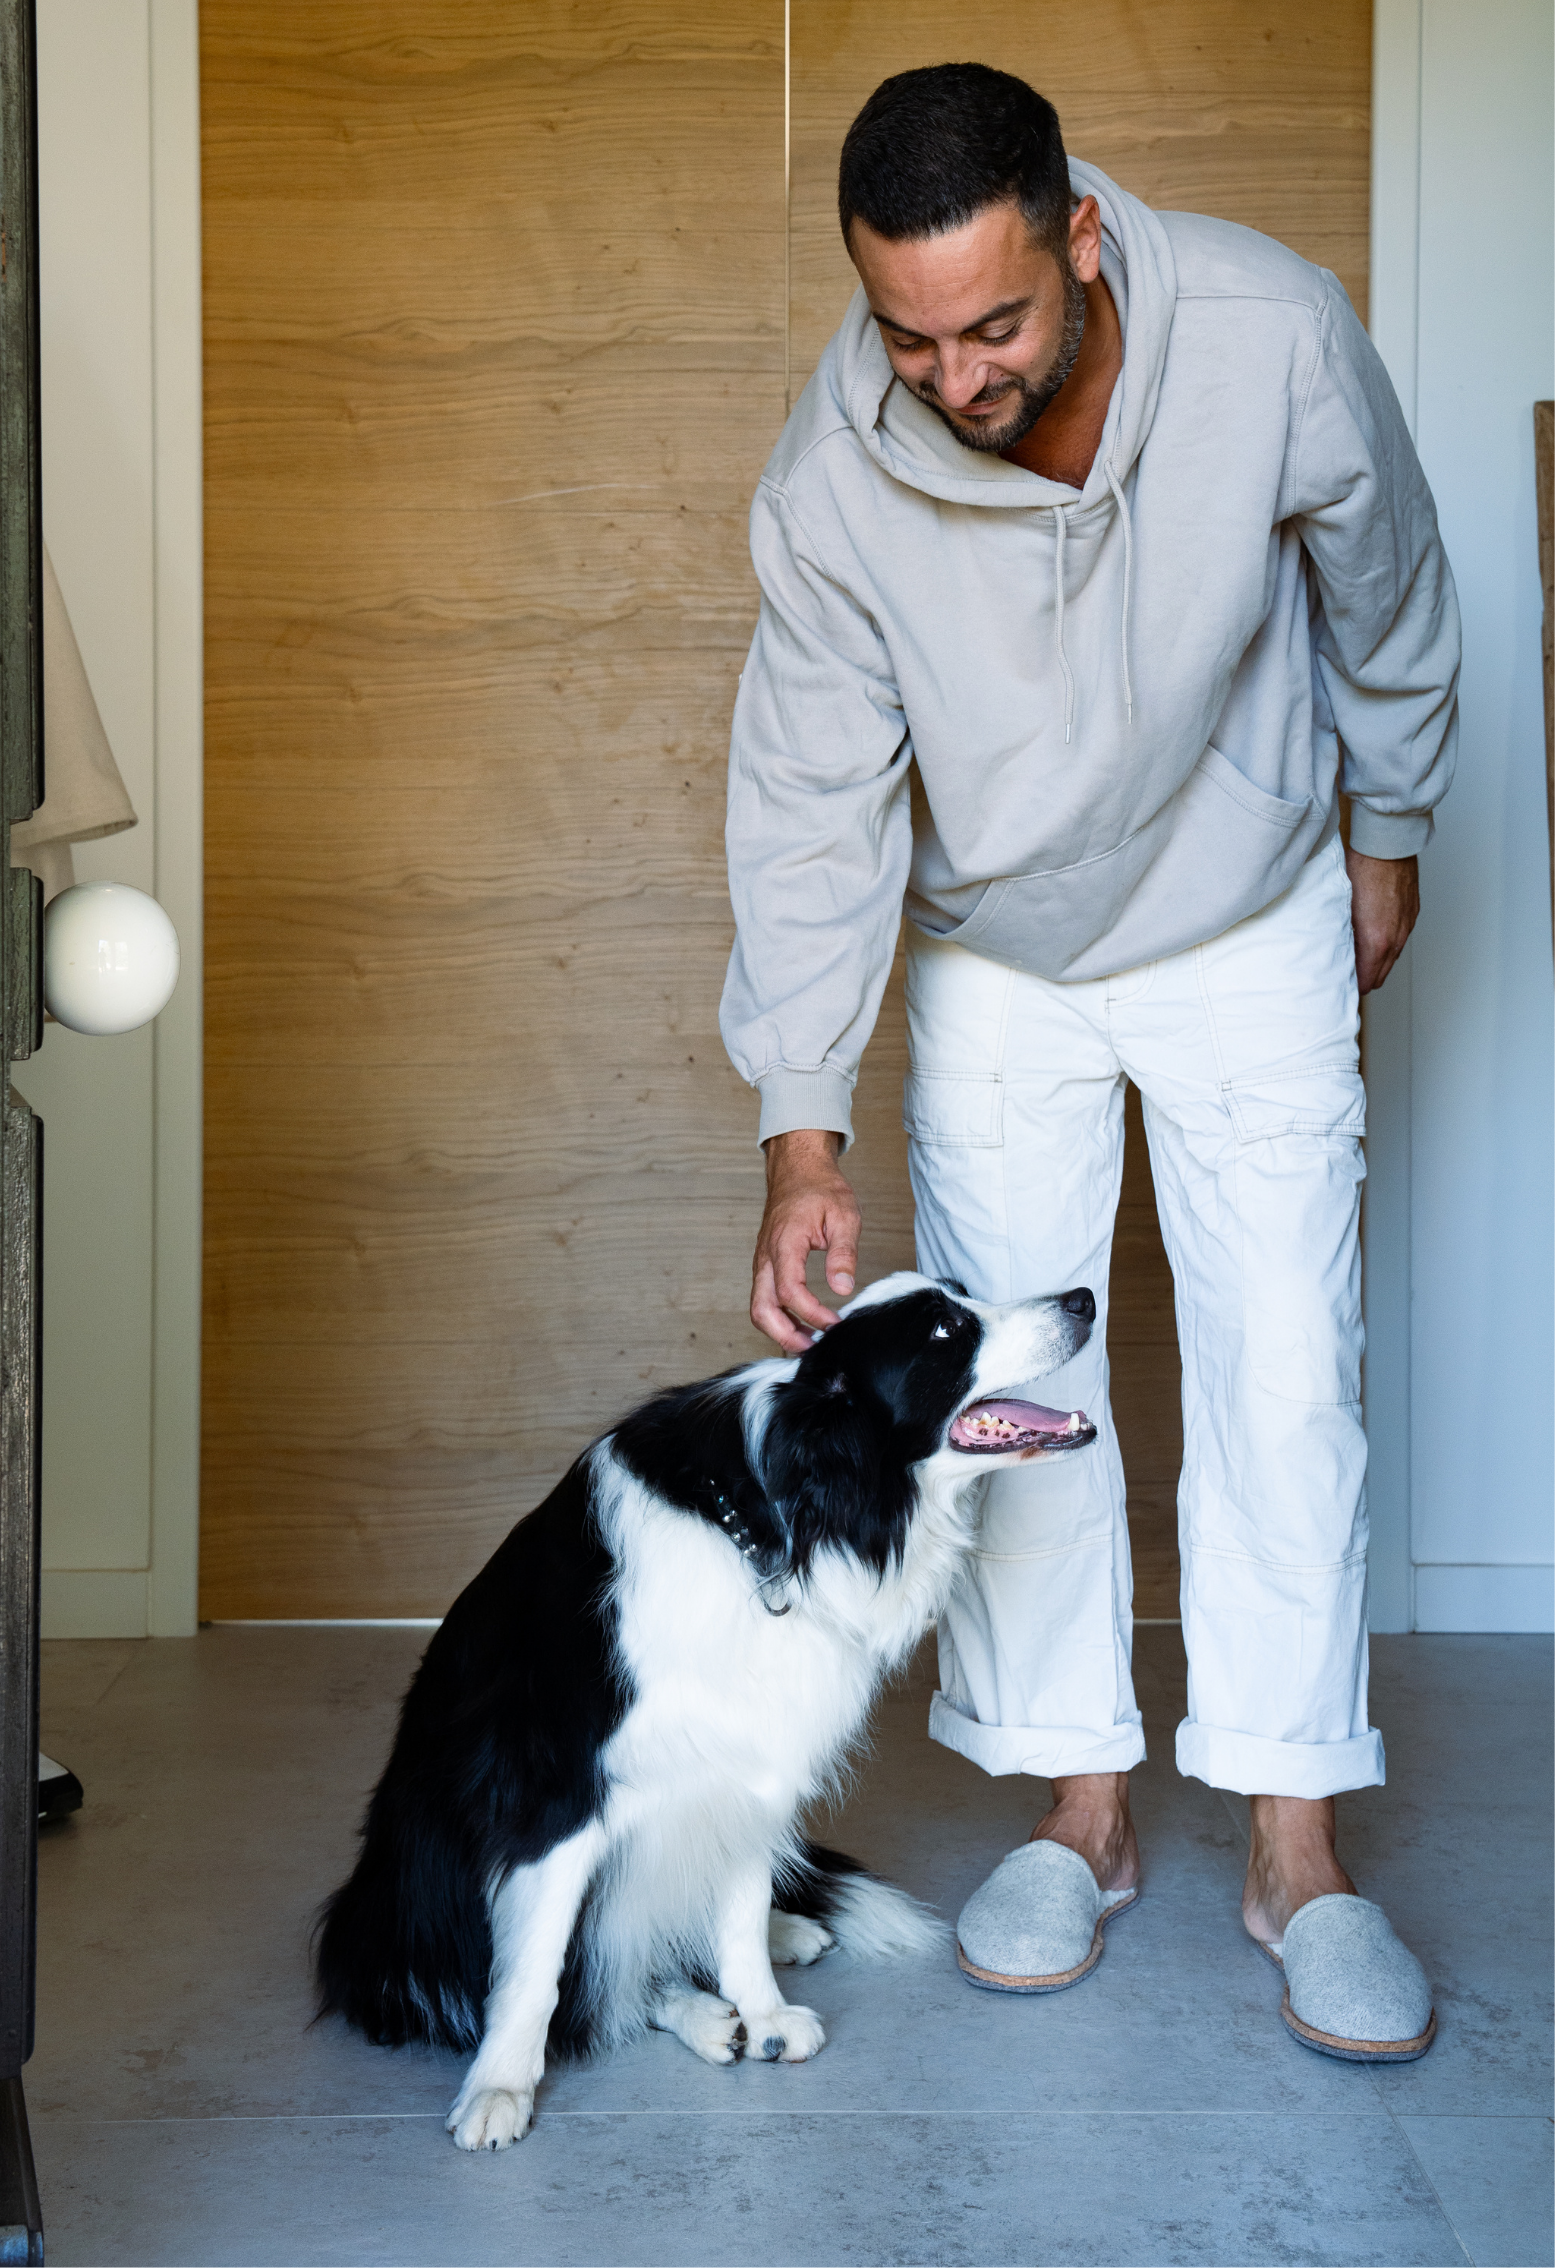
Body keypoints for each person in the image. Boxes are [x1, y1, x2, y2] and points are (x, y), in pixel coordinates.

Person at [719, 64, 1458, 2061]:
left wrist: (1387, 829)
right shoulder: (835, 476)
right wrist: (802, 1134)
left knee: (1285, 1370)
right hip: (1002, 956)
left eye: (998, 326)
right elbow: (809, 806)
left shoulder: (1273, 332)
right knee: (1012, 1413)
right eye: (911, 336)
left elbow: (1386, 590)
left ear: (1082, 238)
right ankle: (1082, 1812)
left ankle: (1294, 1842)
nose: (956, 376)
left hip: (1249, 902)